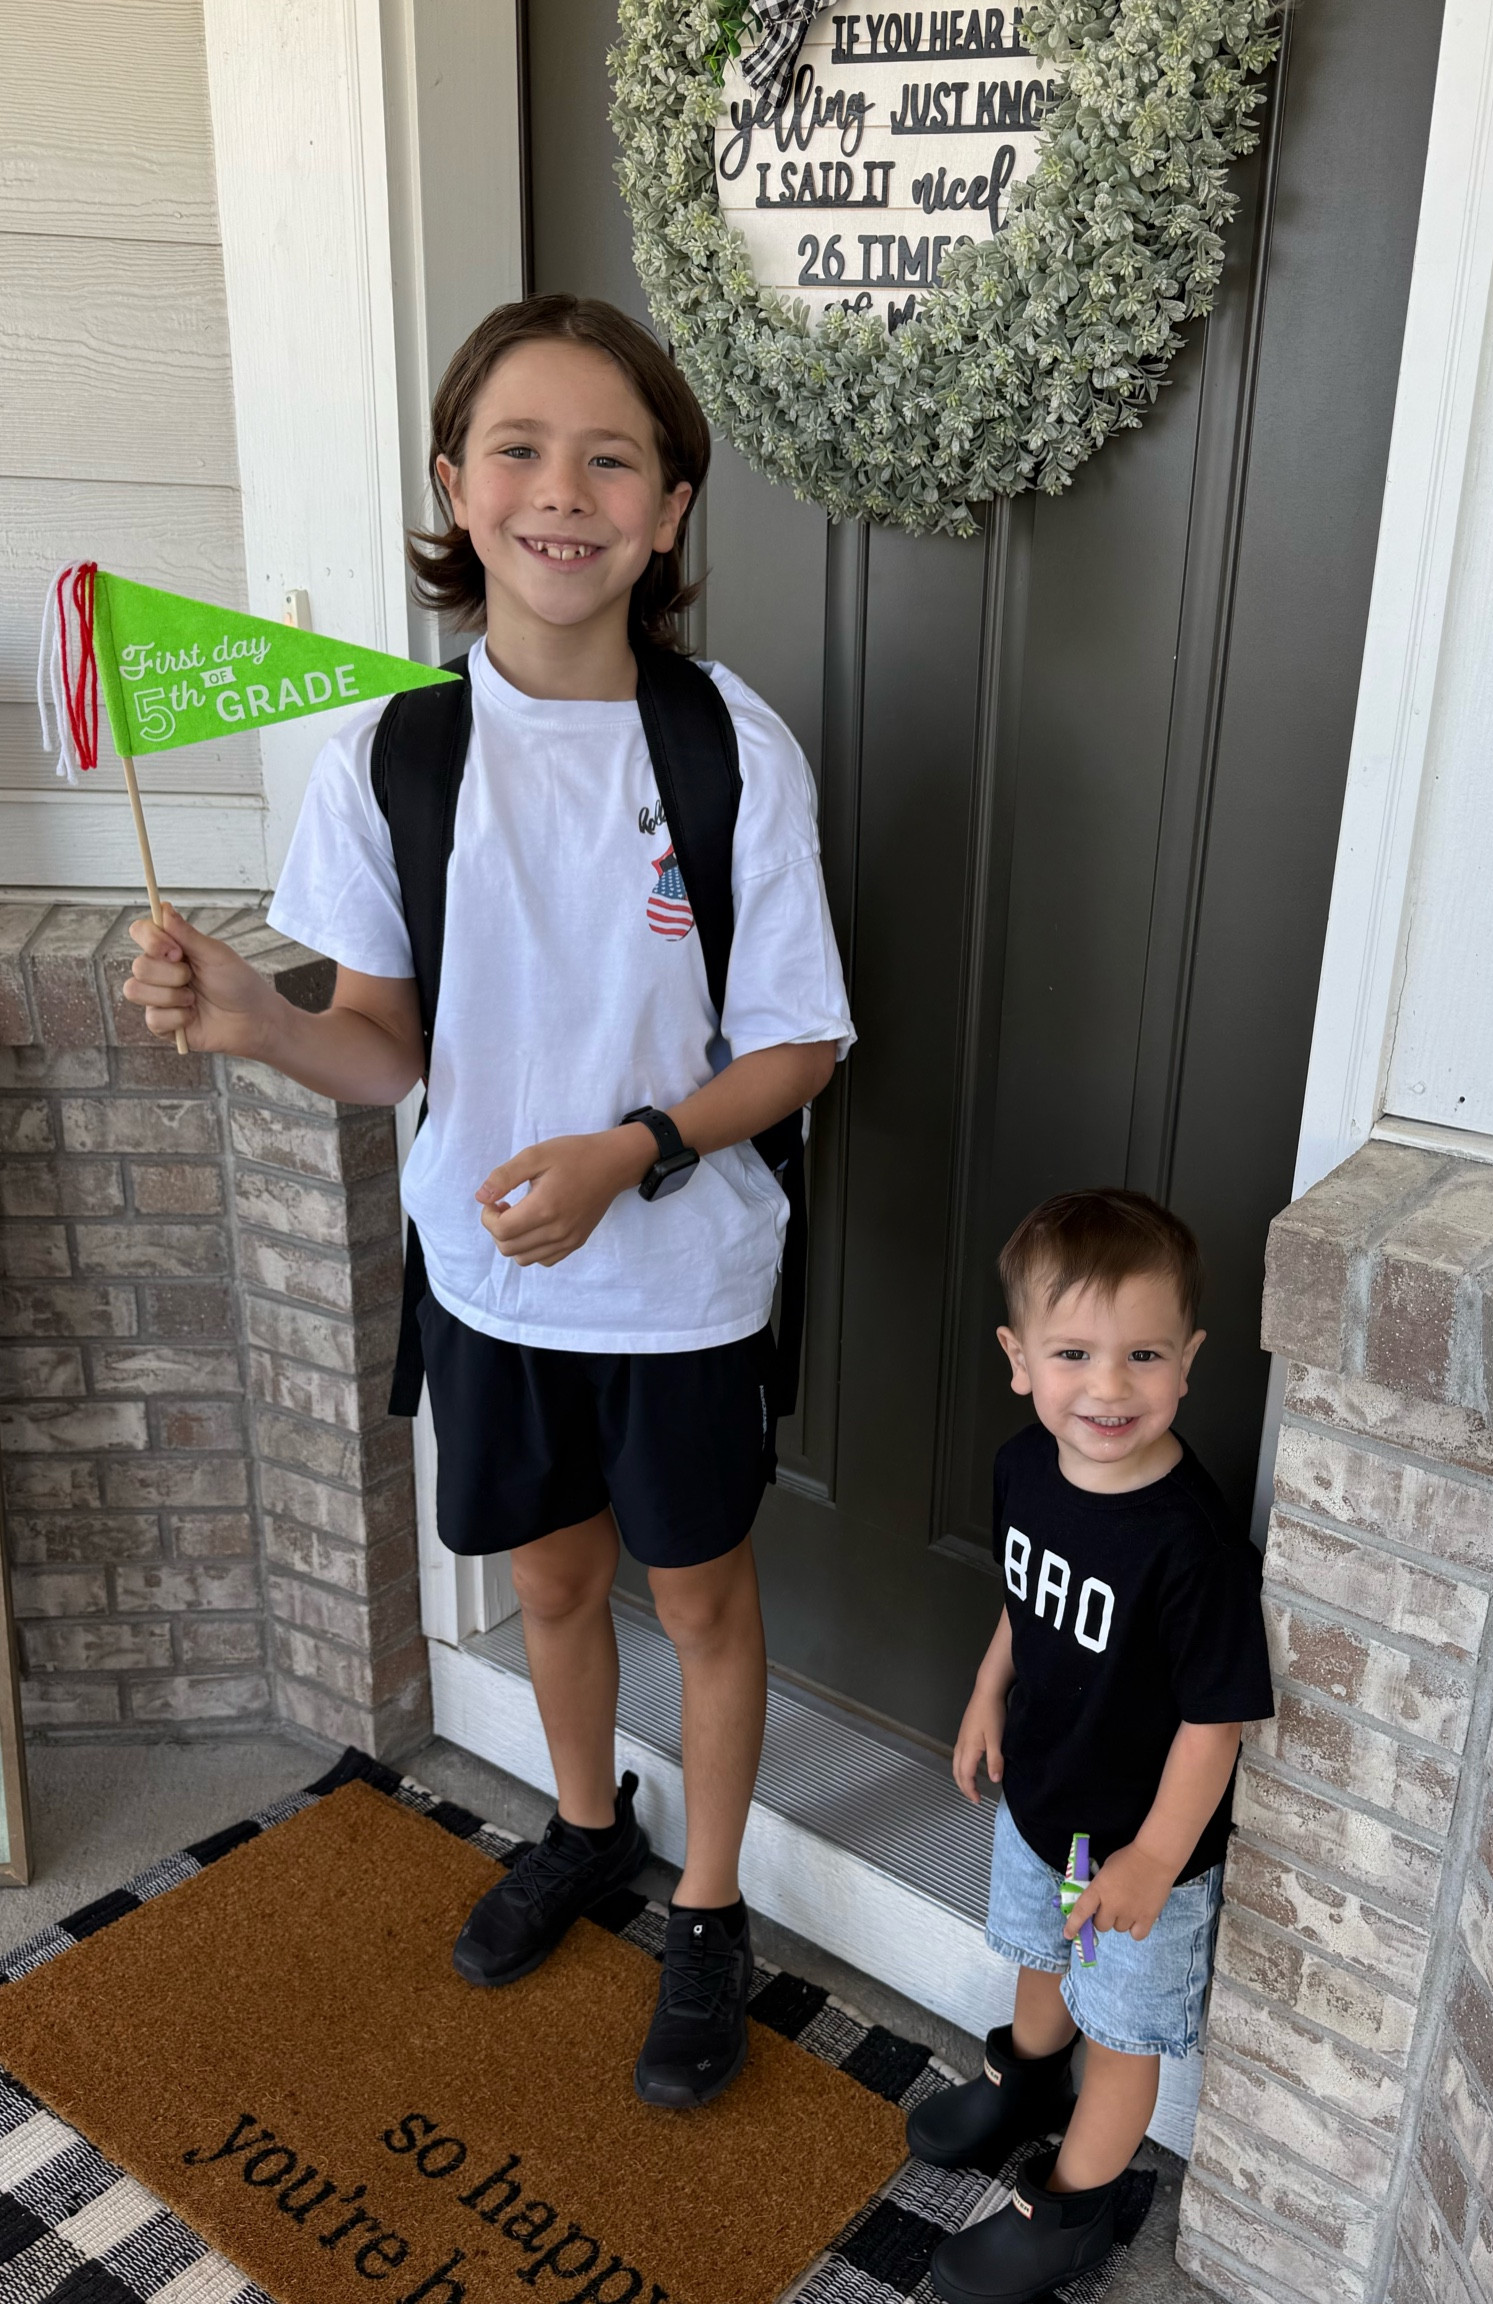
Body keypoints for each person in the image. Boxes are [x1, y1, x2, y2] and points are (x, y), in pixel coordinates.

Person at [125, 295, 853, 2111]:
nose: (562, 491)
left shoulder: (729, 748)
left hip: (683, 1284)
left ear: (669, 509)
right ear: (456, 485)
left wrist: (631, 1150)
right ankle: (590, 1825)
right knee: (547, 1574)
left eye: (613, 458)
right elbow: (385, 1042)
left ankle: (706, 1906)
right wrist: (256, 1020)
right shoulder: (394, 755)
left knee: (700, 1596)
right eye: (519, 449)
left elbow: (800, 1045)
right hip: (489, 1281)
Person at [910, 1189, 1273, 2304]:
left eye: (1143, 1355)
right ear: (1020, 1359)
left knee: (1119, 2032)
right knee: (1039, 1954)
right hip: (1043, 1802)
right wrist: (989, 1686)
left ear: (1188, 1361)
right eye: (1074, 1353)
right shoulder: (1026, 1467)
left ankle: (1073, 2206)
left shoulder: (1192, 1546)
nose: (1109, 1388)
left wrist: (1155, 1857)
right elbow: (1025, 1596)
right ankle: (1025, 2083)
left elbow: (1216, 1718)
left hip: (1141, 1852)